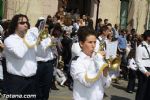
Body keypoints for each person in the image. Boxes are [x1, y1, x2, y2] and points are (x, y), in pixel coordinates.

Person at [3, 14, 51, 100]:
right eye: (22, 23)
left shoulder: (30, 39)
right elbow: (19, 54)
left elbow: (42, 54)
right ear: (15, 25)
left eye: (26, 22)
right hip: (16, 82)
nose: (25, 25)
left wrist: (40, 41)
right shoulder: (9, 40)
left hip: (32, 81)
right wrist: (30, 38)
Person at [70, 27, 111, 100]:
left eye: (95, 42)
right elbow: (87, 82)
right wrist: (97, 59)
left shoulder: (97, 58)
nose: (93, 46)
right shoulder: (76, 62)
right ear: (82, 43)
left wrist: (105, 72)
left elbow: (106, 85)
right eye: (90, 42)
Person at [136, 30, 150, 100]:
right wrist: (145, 71)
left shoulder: (149, 46)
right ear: (148, 37)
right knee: (142, 90)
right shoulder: (140, 47)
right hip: (144, 71)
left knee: (148, 91)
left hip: (149, 69)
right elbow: (138, 61)